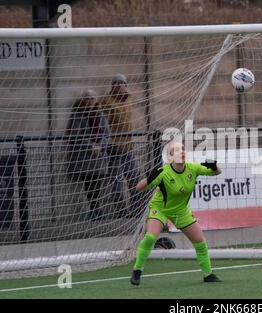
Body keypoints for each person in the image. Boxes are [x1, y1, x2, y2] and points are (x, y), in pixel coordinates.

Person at [130, 141, 223, 285]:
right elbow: (139, 188)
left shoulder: (192, 168)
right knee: (150, 237)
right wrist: (149, 178)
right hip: (160, 209)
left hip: (181, 211)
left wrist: (214, 165)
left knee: (200, 241)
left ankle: (208, 274)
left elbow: (217, 172)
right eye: (176, 150)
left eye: (183, 149)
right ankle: (137, 270)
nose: (182, 152)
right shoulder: (163, 172)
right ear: (170, 157)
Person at [99, 74, 142, 218]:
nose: (118, 86)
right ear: (112, 86)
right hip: (113, 147)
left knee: (135, 177)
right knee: (116, 182)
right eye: (115, 83)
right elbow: (103, 124)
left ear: (125, 85)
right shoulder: (106, 101)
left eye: (121, 83)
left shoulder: (129, 98)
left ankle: (136, 209)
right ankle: (121, 211)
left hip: (128, 146)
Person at [66, 89, 110, 221]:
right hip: (85, 157)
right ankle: (94, 209)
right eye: (87, 98)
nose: (90, 100)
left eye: (92, 98)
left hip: (99, 155)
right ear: (83, 100)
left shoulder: (100, 114)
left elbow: (106, 133)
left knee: (97, 182)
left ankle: (96, 209)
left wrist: (100, 145)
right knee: (89, 182)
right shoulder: (77, 114)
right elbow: (74, 134)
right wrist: (91, 146)